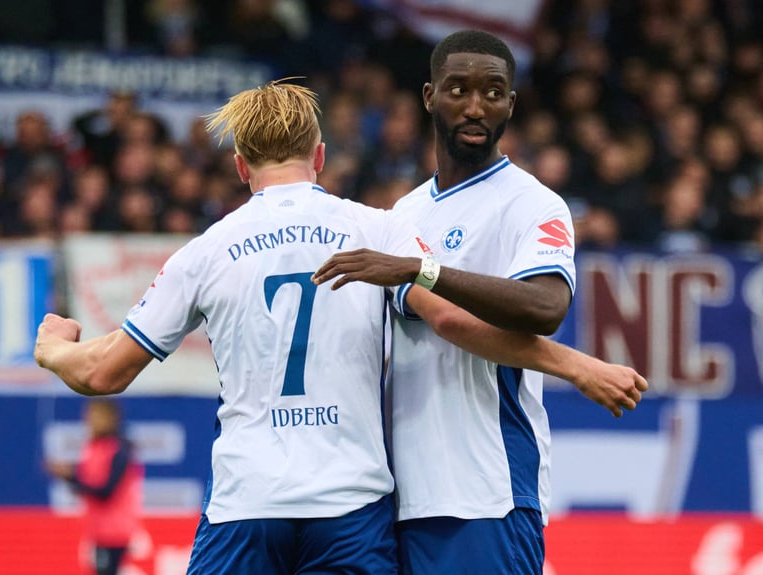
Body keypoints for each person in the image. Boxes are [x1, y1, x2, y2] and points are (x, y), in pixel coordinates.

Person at [35, 78, 645, 574]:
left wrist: (56, 348)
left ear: (242, 166)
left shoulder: (207, 251)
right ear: (320, 158)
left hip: (248, 504)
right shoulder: (376, 231)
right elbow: (457, 322)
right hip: (351, 512)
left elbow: (103, 372)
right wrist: (577, 365)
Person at [313, 29, 647, 574]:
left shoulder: (533, 205)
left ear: (510, 104)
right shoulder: (404, 214)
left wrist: (422, 269)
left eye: (492, 93)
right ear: (429, 97)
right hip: (398, 495)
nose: (475, 107)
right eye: (458, 90)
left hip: (486, 491)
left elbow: (545, 308)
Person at [46, 399, 143, 575]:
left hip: (115, 532)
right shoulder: (93, 446)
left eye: (95, 415)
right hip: (97, 530)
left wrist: (71, 477)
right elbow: (88, 478)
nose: (89, 420)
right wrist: (69, 475)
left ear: (111, 418)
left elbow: (106, 490)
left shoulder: (120, 450)